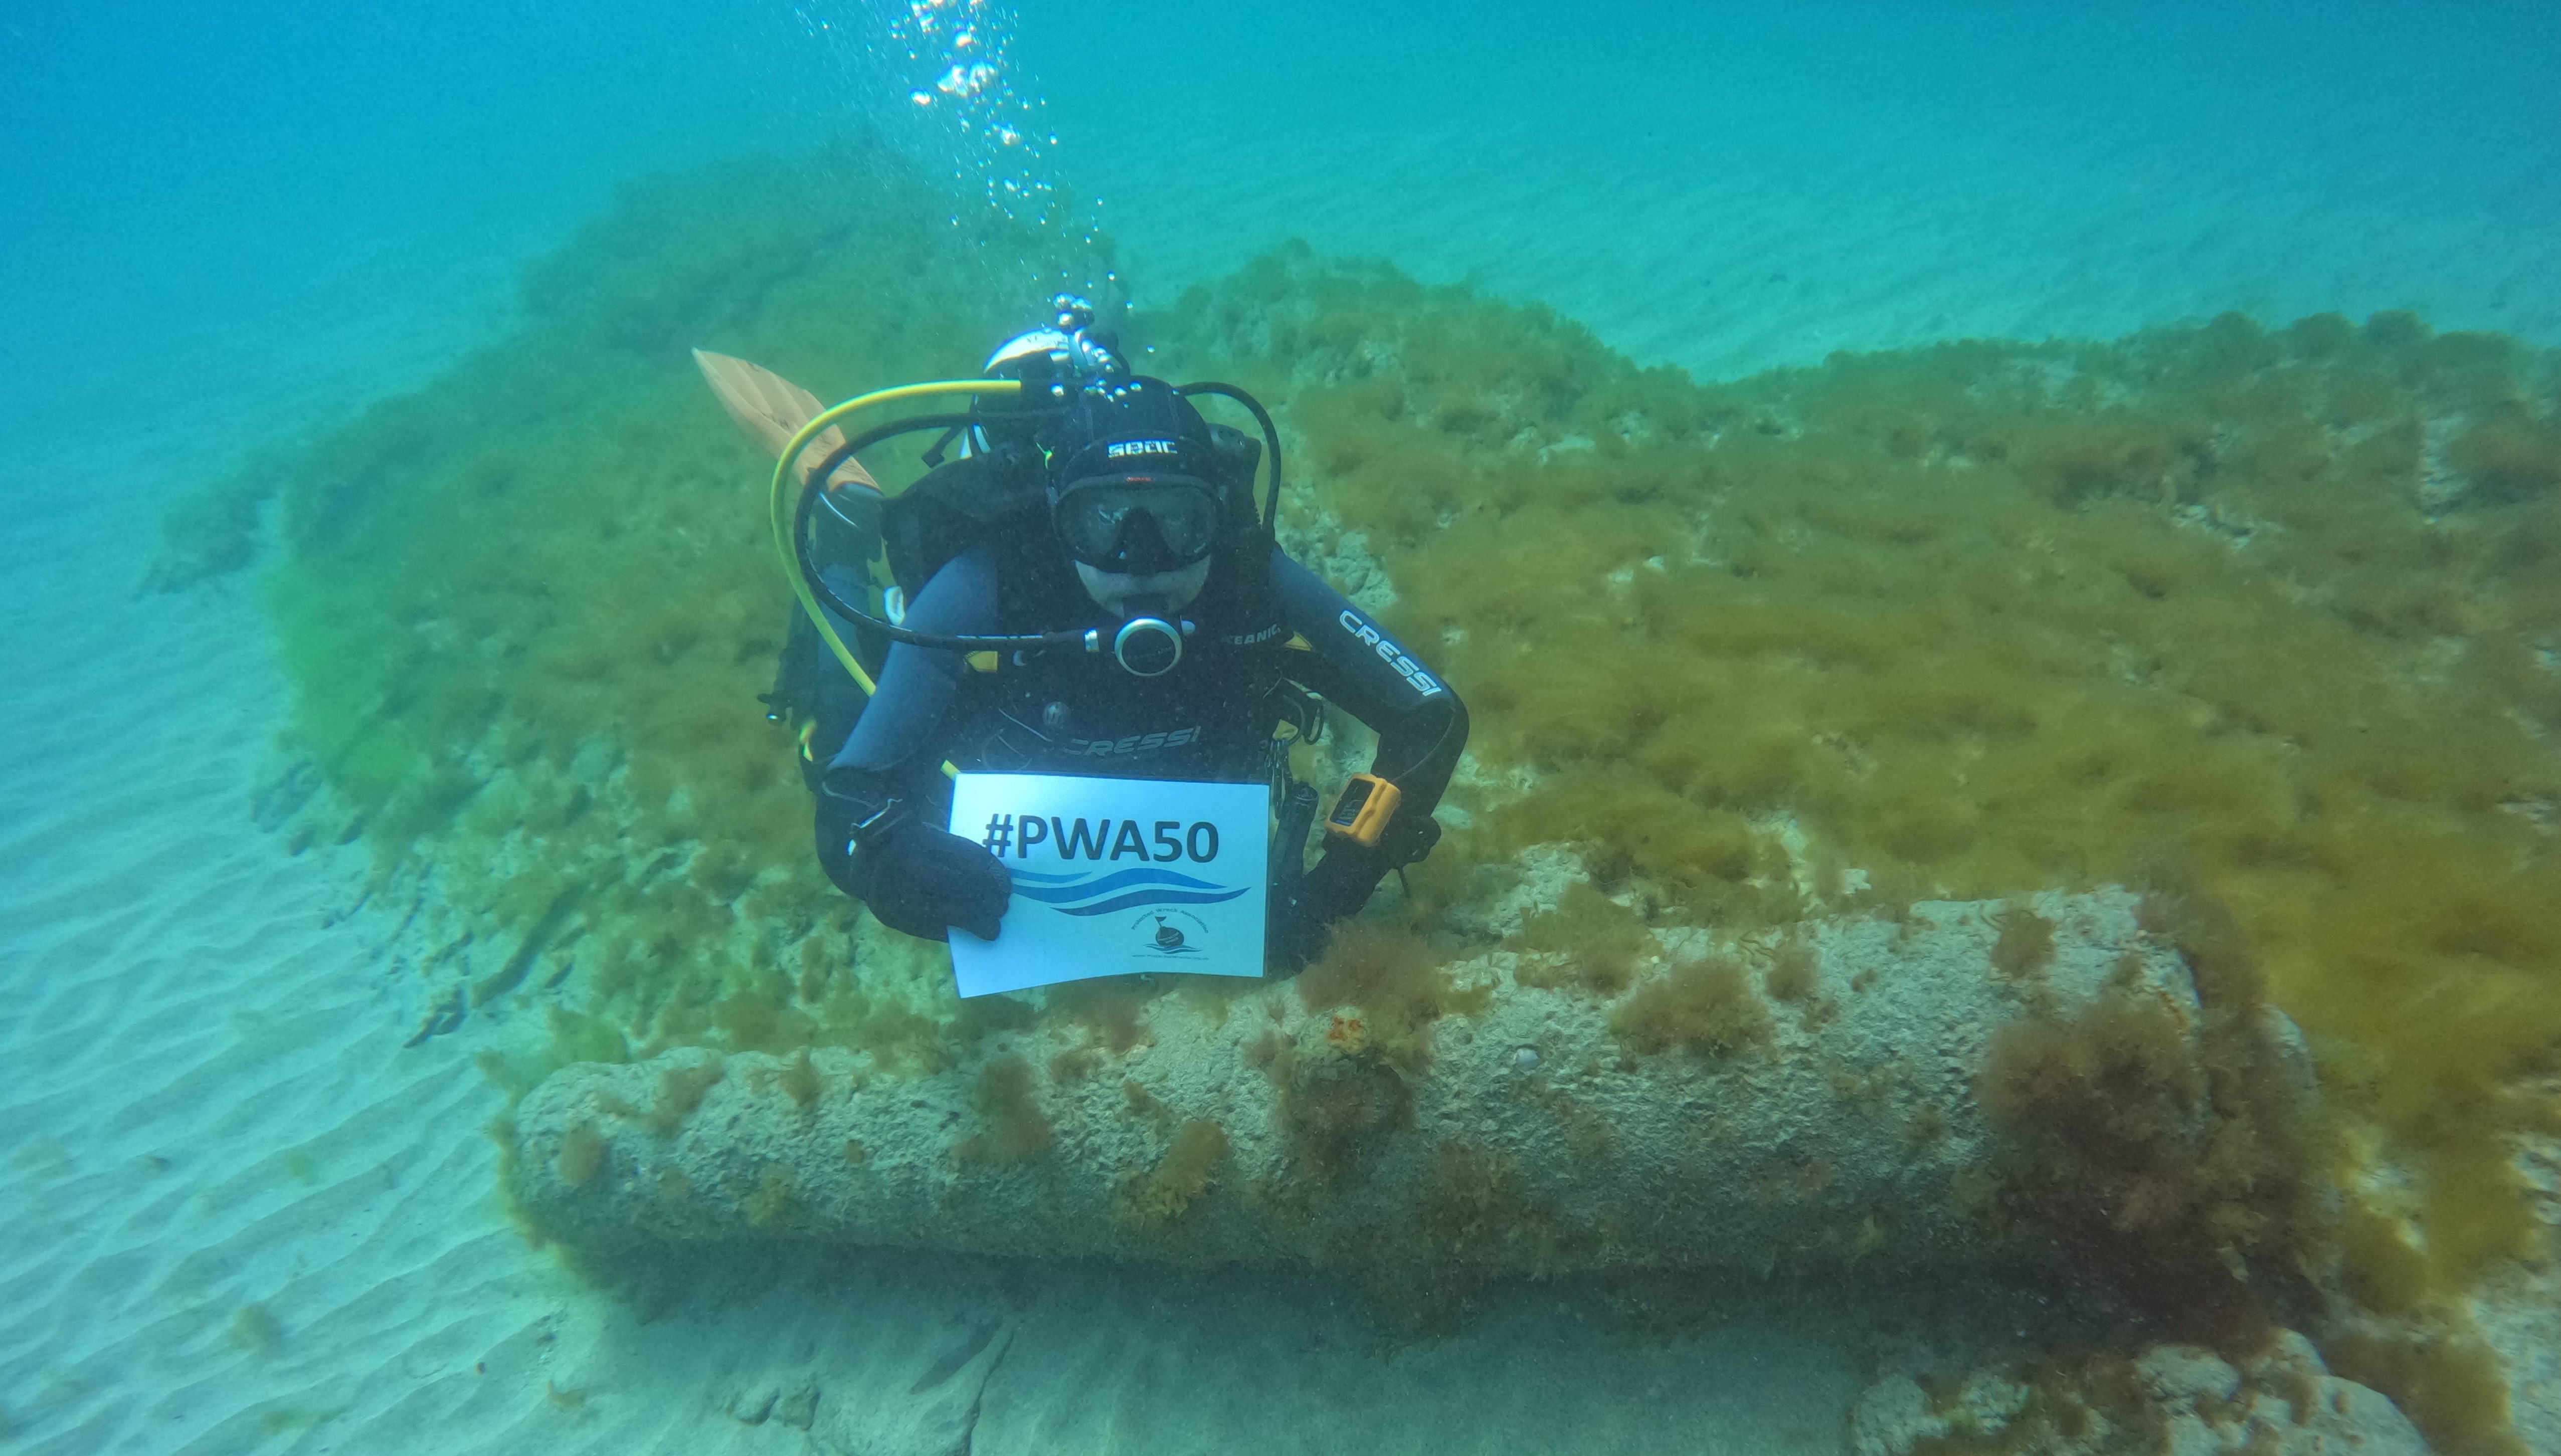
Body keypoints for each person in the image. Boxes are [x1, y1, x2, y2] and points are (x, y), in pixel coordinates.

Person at [795, 301, 1468, 969]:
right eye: (1104, 522)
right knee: (836, 726)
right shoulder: (995, 576)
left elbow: (1431, 716)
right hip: (1013, 788)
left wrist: (1333, 889)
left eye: (1179, 521)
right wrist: (882, 861)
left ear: (1219, 518)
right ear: (1058, 522)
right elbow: (848, 794)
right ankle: (842, 548)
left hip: (1178, 819)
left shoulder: (1246, 569)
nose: (1142, 560)